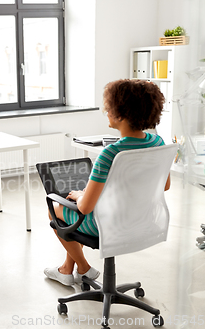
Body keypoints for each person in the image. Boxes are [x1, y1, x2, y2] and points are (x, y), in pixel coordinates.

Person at [44, 79, 171, 286]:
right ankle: (67, 270)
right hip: (144, 220)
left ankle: (83, 268)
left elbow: (85, 208)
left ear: (120, 114)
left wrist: (81, 195)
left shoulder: (111, 153)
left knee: (56, 209)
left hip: (109, 225)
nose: (106, 111)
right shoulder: (158, 142)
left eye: (108, 108)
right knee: (73, 212)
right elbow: (164, 186)